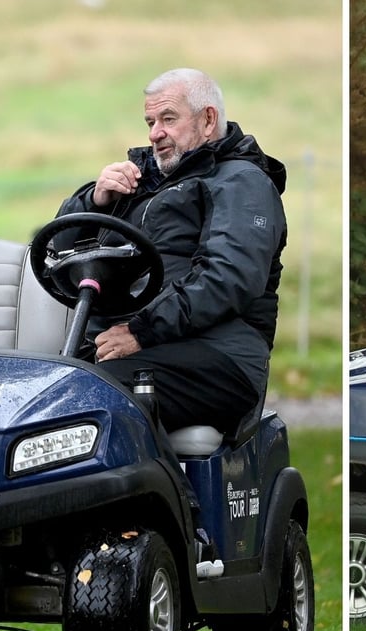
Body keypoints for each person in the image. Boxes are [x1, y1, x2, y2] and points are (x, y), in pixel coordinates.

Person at [55, 68, 287, 437]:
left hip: (219, 356)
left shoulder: (241, 181)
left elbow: (228, 278)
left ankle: (156, 477)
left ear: (207, 120)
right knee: (39, 392)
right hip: (132, 345)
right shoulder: (138, 184)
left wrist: (140, 332)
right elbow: (57, 252)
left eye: (168, 119)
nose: (154, 133)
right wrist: (94, 201)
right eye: (150, 122)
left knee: (94, 396)